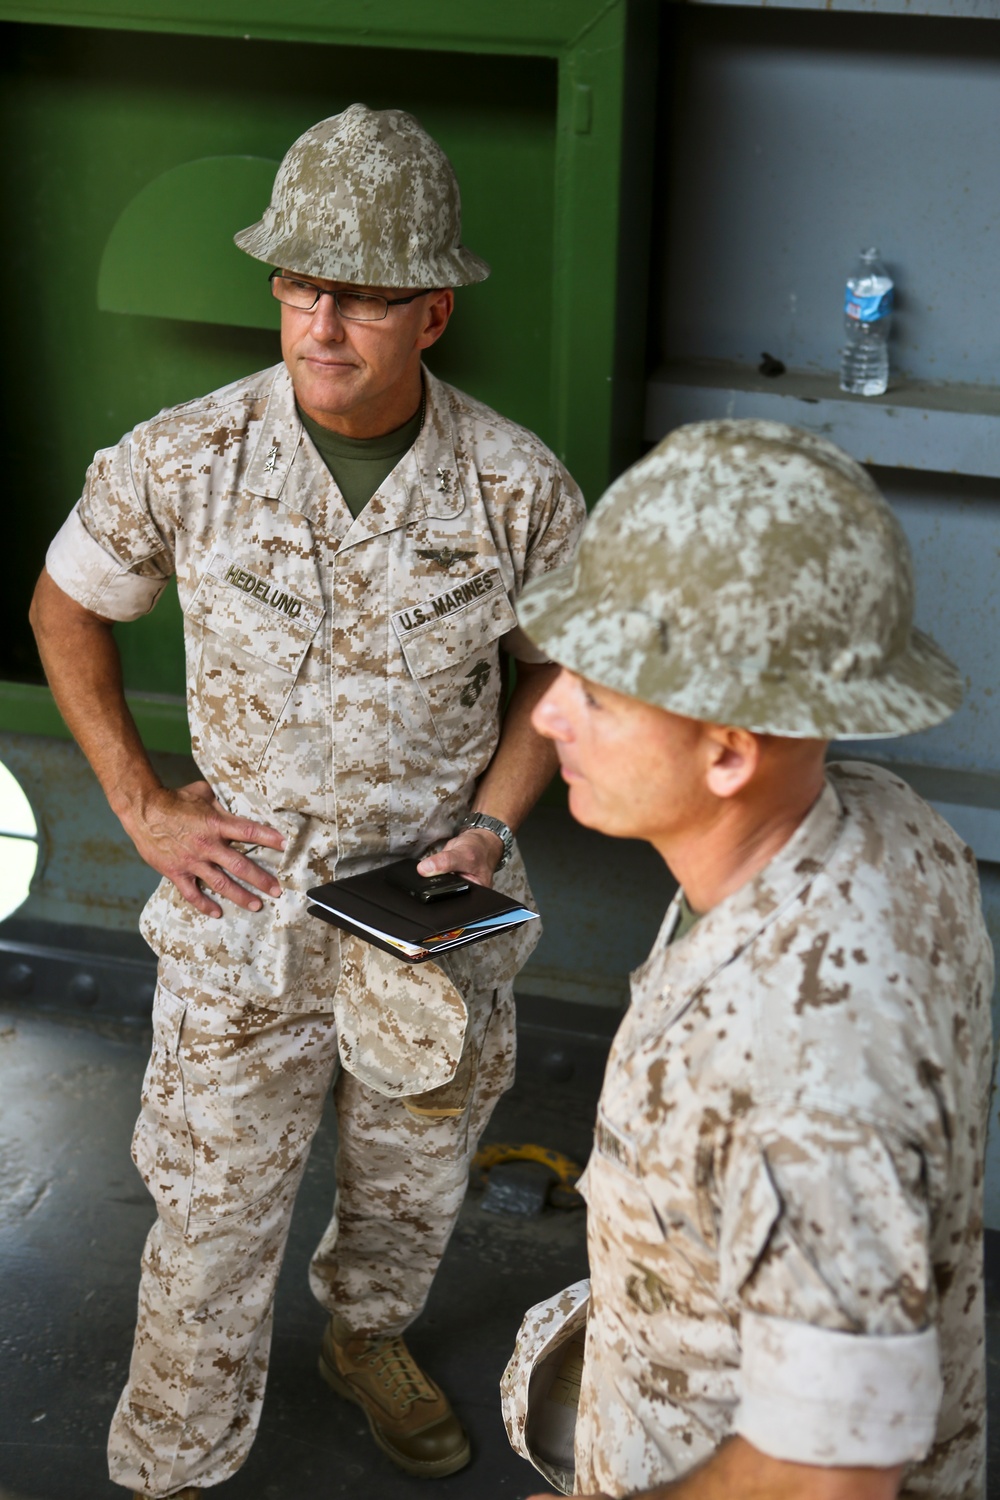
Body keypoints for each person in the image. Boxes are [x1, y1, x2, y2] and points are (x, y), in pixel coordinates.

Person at [29, 104, 584, 1499]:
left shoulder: (515, 485)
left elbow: (563, 672)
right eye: (297, 288)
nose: (321, 324)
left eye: (362, 298)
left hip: (430, 911)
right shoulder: (188, 456)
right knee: (209, 1225)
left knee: (409, 1193)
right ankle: (171, 1464)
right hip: (244, 906)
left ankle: (366, 1340)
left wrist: (497, 819)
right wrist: (143, 808)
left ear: (434, 314)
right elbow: (63, 610)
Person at [500, 419, 993, 1500]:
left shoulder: (805, 1054)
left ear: (728, 749)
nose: (548, 713)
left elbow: (832, 1471)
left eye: (597, 693)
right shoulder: (886, 823)